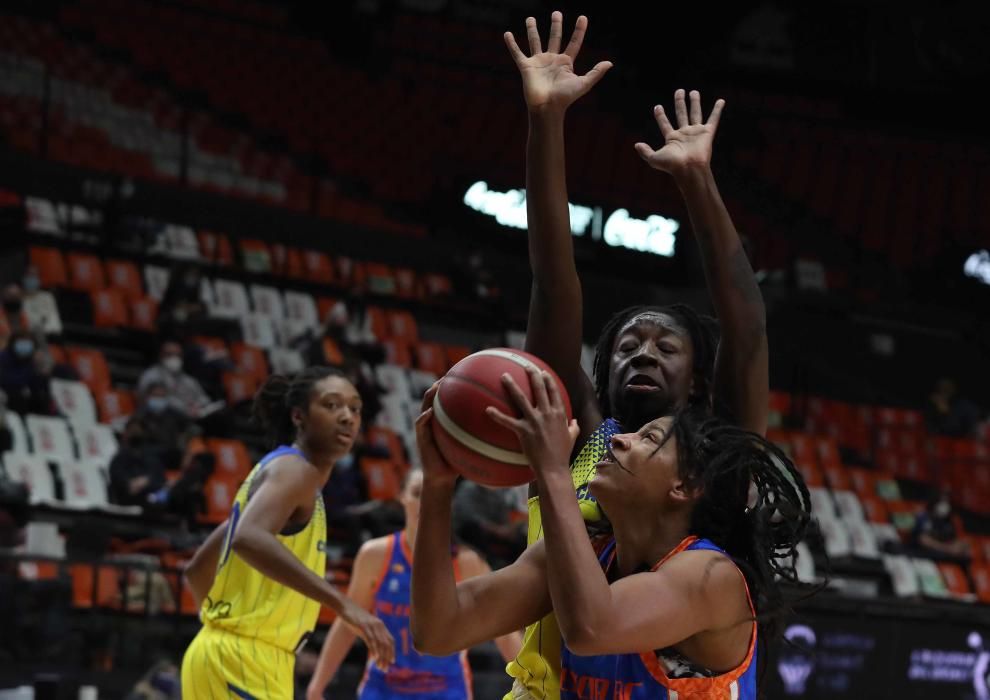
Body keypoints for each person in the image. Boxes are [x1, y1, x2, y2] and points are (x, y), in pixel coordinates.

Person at [504, 13, 769, 697]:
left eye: (664, 346)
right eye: (625, 345)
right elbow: (554, 282)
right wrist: (546, 120)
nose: (641, 355)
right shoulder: (585, 437)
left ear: (697, 375)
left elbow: (746, 333)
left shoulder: (713, 456)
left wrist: (697, 183)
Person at [411, 371, 809, 700]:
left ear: (684, 486)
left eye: (648, 438)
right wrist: (439, 485)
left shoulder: (711, 575)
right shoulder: (587, 552)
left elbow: (590, 629)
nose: (620, 439)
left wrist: (552, 471)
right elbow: (440, 629)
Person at [180, 367, 394, 700]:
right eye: (332, 405)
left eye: (354, 408)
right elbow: (247, 537)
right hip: (243, 660)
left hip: (242, 658)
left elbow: (197, 570)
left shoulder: (284, 481)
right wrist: (343, 604)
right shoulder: (295, 471)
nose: (347, 417)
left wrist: (221, 626)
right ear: (299, 415)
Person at [306, 469, 523, 699]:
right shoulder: (376, 555)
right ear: (402, 497)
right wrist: (316, 686)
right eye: (418, 493)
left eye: (435, 495)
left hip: (447, 690)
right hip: (384, 688)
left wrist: (531, 682)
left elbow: (503, 633)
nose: (426, 501)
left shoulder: (467, 562)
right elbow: (346, 625)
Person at [138, 340, 212, 418]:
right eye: (169, 354)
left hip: (190, 418)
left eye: (178, 355)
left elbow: (203, 398)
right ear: (161, 355)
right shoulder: (150, 375)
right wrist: (185, 409)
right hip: (159, 418)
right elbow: (148, 400)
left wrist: (197, 406)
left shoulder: (188, 379)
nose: (174, 358)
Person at [911, 487, 969, 560]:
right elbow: (923, 540)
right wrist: (946, 548)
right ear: (935, 501)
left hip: (939, 558)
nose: (945, 505)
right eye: (942, 501)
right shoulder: (923, 516)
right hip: (919, 554)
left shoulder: (948, 522)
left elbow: (956, 541)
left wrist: (960, 547)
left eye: (947, 502)